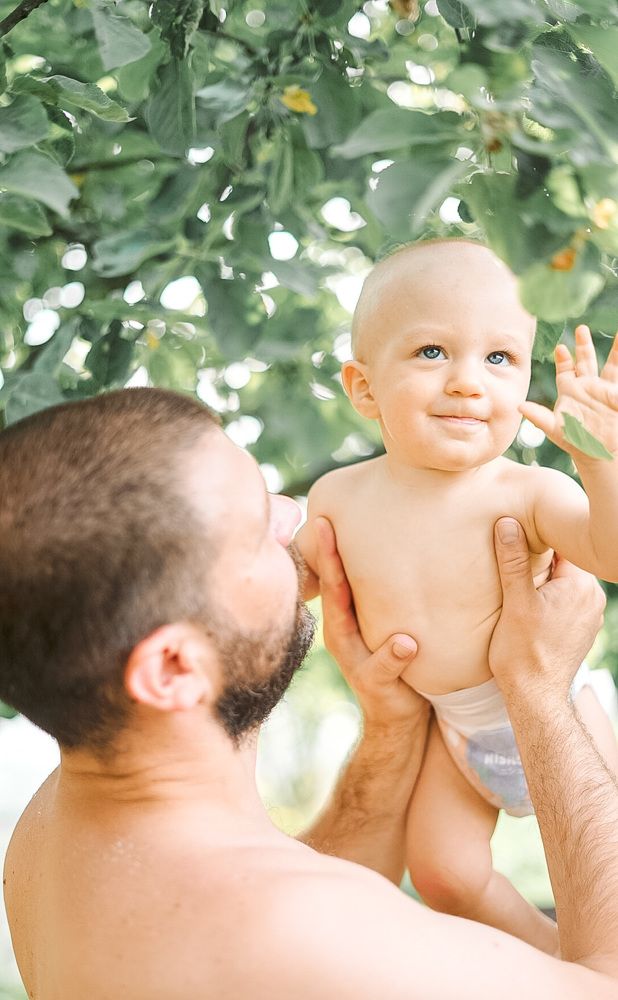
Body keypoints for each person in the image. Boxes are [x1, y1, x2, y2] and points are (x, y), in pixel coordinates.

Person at [1, 389, 618, 999]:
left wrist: (391, 726)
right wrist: (538, 687)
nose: (292, 518)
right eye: (254, 530)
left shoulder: (51, 829)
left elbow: (297, 892)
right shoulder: (301, 930)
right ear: (172, 669)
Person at [296, 238, 618, 954]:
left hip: (560, 709)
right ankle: (557, 957)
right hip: (457, 726)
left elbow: (612, 553)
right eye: (433, 353)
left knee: (603, 868)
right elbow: (292, 577)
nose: (470, 382)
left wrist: (598, 463)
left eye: (499, 359)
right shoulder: (339, 497)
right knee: (443, 874)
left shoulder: (529, 491)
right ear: (364, 387)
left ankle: (601, 955)